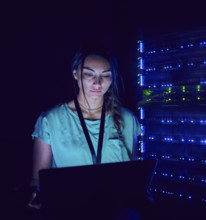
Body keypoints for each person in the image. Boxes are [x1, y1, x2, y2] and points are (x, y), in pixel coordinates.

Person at [27, 43, 143, 219]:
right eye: (89, 74)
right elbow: (38, 180)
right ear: (75, 74)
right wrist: (36, 196)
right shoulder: (50, 120)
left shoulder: (128, 119)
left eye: (105, 75)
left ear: (113, 78)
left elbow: (132, 176)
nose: (98, 83)